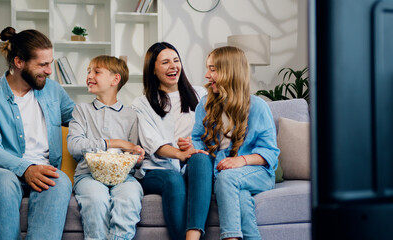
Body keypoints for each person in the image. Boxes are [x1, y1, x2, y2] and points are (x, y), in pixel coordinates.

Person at [0, 26, 75, 239]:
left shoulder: (53, 90)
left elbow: (80, 120)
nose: (49, 70)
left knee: (58, 180)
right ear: (19, 62)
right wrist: (25, 168)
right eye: (43, 64)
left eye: (50, 63)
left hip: (43, 167)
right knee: (4, 181)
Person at [189, 46, 280, 240]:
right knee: (242, 199)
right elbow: (197, 139)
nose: (206, 75)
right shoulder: (205, 104)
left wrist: (242, 161)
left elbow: (270, 152)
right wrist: (193, 148)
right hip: (223, 174)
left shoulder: (257, 106)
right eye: (208, 69)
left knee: (228, 178)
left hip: (258, 173)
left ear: (229, 71)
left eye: (212, 69)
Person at [131, 42, 208, 240]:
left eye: (176, 60)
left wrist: (195, 143)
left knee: (200, 159)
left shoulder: (201, 94)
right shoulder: (142, 103)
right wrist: (178, 153)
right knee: (173, 179)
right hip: (156, 169)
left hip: (191, 163)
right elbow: (151, 140)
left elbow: (214, 130)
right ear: (153, 70)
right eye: (165, 62)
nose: (173, 66)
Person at [67, 55, 145, 240]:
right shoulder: (81, 111)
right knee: (96, 200)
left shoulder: (130, 115)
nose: (89, 75)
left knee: (130, 197)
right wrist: (115, 143)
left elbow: (132, 153)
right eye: (88, 71)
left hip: (123, 177)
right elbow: (74, 146)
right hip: (88, 175)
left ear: (115, 79)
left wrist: (137, 156)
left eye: (96, 71)